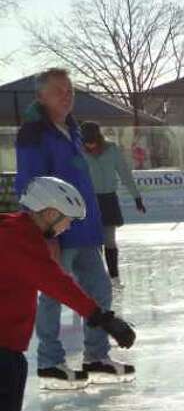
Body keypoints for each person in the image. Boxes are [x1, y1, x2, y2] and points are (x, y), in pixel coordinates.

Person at [0, 177, 136, 411]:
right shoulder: (18, 240)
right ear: (49, 213)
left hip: (8, 337)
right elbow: (57, 283)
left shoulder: (20, 231)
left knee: (13, 378)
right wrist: (102, 318)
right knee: (5, 383)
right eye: (67, 221)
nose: (68, 228)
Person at [15, 69, 135, 388]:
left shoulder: (73, 129)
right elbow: (29, 183)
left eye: (69, 90)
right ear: (41, 97)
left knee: (99, 290)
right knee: (53, 295)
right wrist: (45, 235)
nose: (66, 95)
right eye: (58, 91)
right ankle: (50, 363)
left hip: (85, 230)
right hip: (58, 232)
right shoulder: (34, 134)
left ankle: (96, 356)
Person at [80, 122, 146, 283]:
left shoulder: (111, 150)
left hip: (108, 199)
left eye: (92, 138)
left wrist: (136, 197)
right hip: (88, 200)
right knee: (93, 241)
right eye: (86, 139)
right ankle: (97, 276)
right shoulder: (77, 151)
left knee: (109, 239)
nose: (90, 143)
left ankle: (114, 275)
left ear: (98, 135)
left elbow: (125, 174)